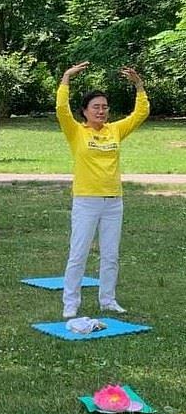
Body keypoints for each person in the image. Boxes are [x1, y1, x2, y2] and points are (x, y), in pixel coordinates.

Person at [57, 62, 149, 318]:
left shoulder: (115, 131)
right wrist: (66, 79)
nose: (101, 111)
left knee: (111, 255)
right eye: (95, 107)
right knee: (79, 253)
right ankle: (70, 303)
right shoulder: (76, 131)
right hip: (87, 200)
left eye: (104, 107)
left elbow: (140, 114)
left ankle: (108, 300)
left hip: (113, 201)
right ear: (84, 111)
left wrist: (139, 86)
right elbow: (61, 110)